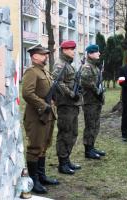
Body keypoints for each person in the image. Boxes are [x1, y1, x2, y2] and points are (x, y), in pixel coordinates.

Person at [22, 44, 59, 194]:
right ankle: (33, 180)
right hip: (37, 116)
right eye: (43, 54)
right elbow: (27, 93)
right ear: (35, 56)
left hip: (48, 115)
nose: (46, 56)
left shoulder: (44, 71)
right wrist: (43, 106)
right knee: (35, 147)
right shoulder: (31, 72)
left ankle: (41, 176)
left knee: (44, 146)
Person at [53, 40, 82, 175]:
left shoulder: (68, 65)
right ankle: (62, 163)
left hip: (72, 105)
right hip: (65, 104)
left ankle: (67, 159)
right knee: (65, 133)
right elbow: (58, 82)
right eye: (71, 49)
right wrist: (71, 94)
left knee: (73, 133)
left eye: (74, 49)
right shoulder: (60, 65)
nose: (73, 51)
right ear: (64, 50)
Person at [80, 44, 106, 159]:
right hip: (90, 101)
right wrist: (97, 90)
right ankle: (88, 150)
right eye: (96, 52)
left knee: (95, 125)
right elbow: (85, 81)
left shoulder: (95, 66)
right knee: (90, 126)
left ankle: (92, 146)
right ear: (90, 54)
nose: (99, 53)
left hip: (96, 101)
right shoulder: (87, 67)